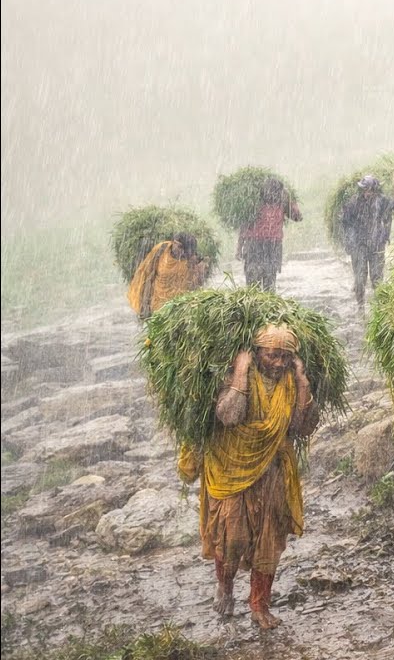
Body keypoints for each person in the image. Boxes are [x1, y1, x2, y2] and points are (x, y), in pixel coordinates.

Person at [199, 324, 318, 629]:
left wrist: (303, 381)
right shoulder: (237, 375)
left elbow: (302, 427)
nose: (278, 363)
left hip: (272, 472)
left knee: (269, 542)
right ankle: (225, 588)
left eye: (285, 357)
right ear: (256, 354)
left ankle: (259, 605)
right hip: (230, 468)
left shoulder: (291, 382)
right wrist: (240, 374)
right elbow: (228, 415)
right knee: (232, 539)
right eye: (272, 355)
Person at [341, 175, 394, 308]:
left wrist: (386, 235)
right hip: (359, 246)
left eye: (371, 190)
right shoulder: (353, 203)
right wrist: (349, 242)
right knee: (360, 279)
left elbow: (389, 217)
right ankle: (360, 306)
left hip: (377, 245)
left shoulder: (382, 202)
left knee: (377, 278)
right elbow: (346, 224)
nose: (368, 193)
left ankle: (380, 308)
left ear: (375, 191)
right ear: (361, 190)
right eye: (365, 190)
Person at [237, 178, 302, 291]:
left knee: (259, 284)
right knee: (263, 284)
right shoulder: (255, 205)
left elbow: (297, 217)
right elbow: (244, 226)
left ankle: (258, 306)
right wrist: (239, 248)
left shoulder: (281, 204)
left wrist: (239, 248)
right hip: (265, 246)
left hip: (262, 246)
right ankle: (259, 305)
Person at [127, 232, 208, 320]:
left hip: (179, 309)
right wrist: (145, 306)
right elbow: (148, 277)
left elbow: (195, 286)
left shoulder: (192, 260)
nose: (181, 252)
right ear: (173, 242)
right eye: (179, 247)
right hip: (157, 307)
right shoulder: (161, 250)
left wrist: (200, 268)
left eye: (184, 250)